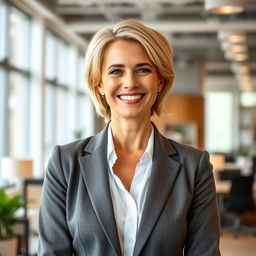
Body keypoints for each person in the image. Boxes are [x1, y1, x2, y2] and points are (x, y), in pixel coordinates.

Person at [38, 19, 220, 256]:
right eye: (116, 71)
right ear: (100, 84)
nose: (130, 83)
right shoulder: (65, 163)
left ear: (160, 81)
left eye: (143, 70)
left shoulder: (194, 166)